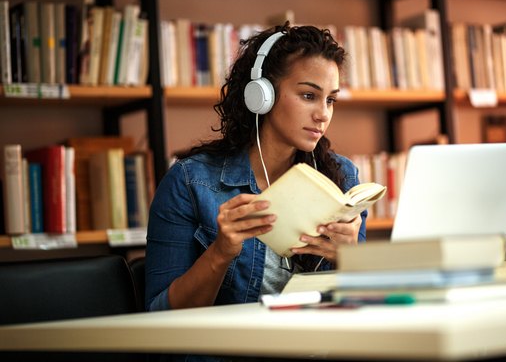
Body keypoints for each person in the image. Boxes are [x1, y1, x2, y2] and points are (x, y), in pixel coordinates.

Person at [145, 23, 367, 318]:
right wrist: (220, 252)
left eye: (330, 100)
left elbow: (359, 309)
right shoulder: (190, 182)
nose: (323, 114)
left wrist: (349, 259)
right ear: (262, 95)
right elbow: (160, 313)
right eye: (308, 96)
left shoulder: (343, 178)